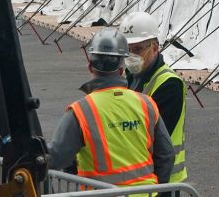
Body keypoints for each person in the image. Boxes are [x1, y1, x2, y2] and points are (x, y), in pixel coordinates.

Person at [48, 27, 174, 189]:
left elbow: (56, 158)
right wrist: (157, 189)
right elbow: (166, 155)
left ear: (90, 67)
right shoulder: (146, 104)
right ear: (122, 69)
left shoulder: (80, 112)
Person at [121, 11, 188, 183]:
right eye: (127, 50)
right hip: (138, 176)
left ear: (155, 47)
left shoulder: (169, 84)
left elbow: (149, 135)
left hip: (163, 179)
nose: (131, 56)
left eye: (137, 49)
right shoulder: (129, 76)